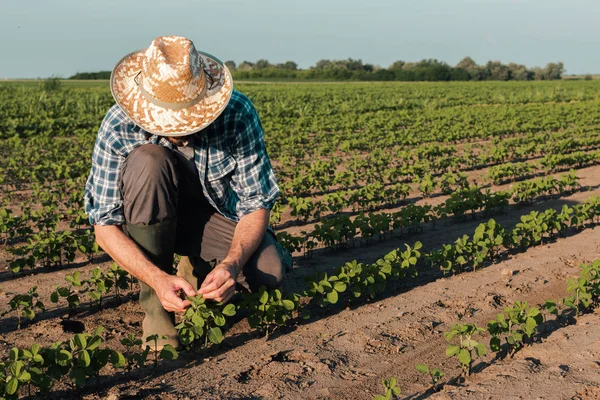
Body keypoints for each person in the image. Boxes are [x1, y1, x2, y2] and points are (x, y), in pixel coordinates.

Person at [84, 36, 291, 350]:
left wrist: (232, 264)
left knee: (269, 271)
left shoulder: (236, 114)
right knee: (149, 160)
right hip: (149, 219)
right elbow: (104, 227)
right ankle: (157, 313)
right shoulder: (119, 126)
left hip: (210, 218)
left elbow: (256, 203)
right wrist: (156, 278)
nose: (178, 129)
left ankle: (197, 266)